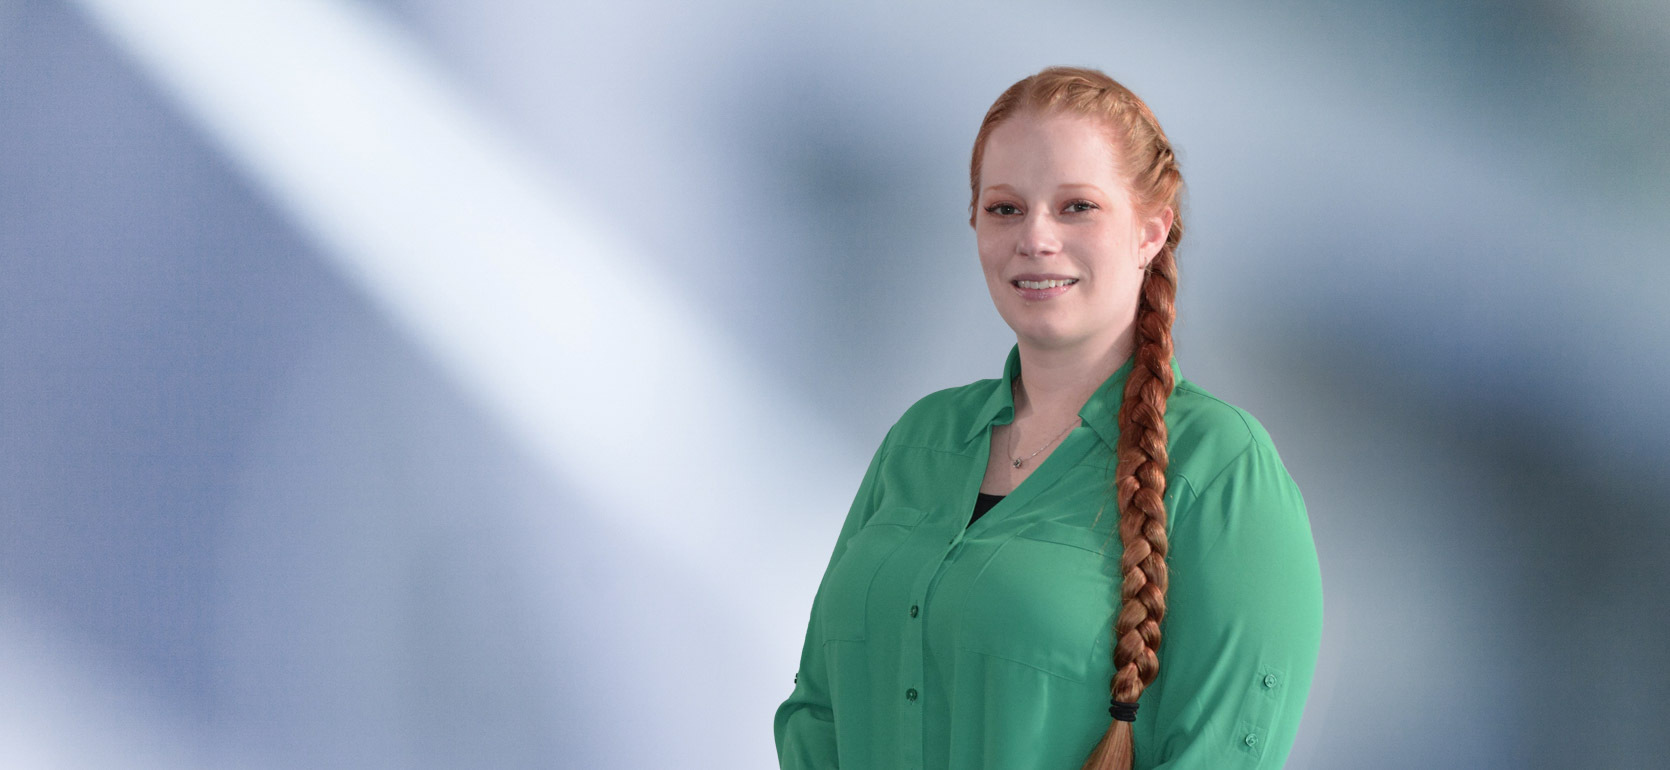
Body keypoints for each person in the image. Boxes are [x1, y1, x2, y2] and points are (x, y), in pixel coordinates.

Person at [774, 66, 1323, 770]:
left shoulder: (1223, 472)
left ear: (1152, 230)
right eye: (1005, 208)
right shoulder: (920, 440)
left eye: (1077, 207)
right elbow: (817, 707)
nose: (1035, 237)